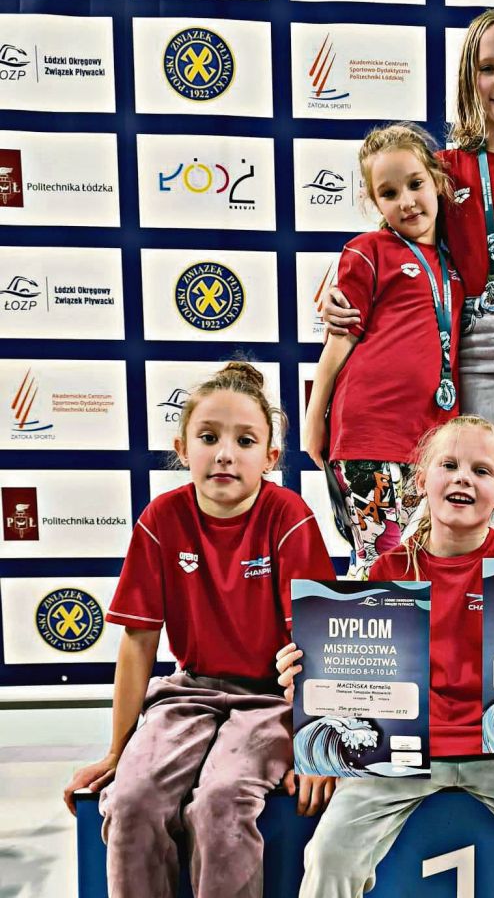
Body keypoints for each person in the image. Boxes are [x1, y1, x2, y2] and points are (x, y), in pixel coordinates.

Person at [277, 415, 494, 898]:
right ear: (421, 480)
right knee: (329, 855)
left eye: (482, 470)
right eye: (449, 465)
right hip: (402, 752)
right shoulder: (385, 572)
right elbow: (352, 692)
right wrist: (309, 683)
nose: (463, 477)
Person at [324, 8, 494, 558]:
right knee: (482, 504)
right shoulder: (444, 168)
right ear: (469, 78)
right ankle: (478, 612)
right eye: (488, 68)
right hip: (476, 343)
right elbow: (399, 237)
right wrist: (339, 297)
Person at [62, 361, 336, 898]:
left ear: (270, 457)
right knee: (131, 801)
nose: (225, 454)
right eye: (208, 438)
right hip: (189, 693)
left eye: (245, 441)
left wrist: (315, 748)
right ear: (182, 449)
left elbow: (319, 645)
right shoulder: (161, 519)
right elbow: (138, 643)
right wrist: (118, 751)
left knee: (221, 801)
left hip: (271, 701)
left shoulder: (289, 517)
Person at [302, 122, 465, 580]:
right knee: (377, 567)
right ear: (374, 202)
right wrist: (316, 420)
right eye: (389, 193)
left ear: (437, 180)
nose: (407, 201)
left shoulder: (457, 265)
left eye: (415, 184)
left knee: (419, 566)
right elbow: (340, 341)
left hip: (431, 439)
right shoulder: (367, 250)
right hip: (368, 436)